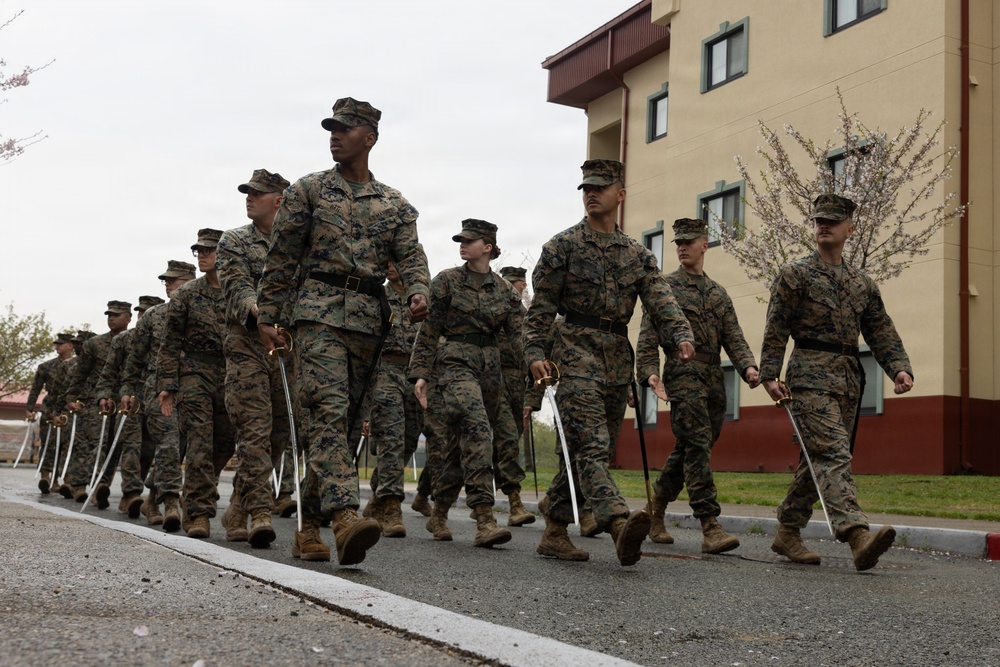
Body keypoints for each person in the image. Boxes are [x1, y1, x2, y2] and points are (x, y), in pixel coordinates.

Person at [256, 97, 430, 566]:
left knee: (346, 426)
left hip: (371, 323)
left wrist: (418, 291)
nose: (335, 135)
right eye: (331, 128)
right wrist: (268, 316)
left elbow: (412, 257)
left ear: (369, 138)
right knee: (328, 414)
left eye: (346, 129)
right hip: (317, 316)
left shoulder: (394, 203)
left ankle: (308, 526)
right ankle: (345, 517)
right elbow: (282, 257)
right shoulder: (308, 190)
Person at [524, 159, 695, 567]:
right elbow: (541, 311)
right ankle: (619, 523)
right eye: (585, 187)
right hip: (574, 354)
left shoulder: (637, 255)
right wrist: (534, 355)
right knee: (593, 446)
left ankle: (554, 530)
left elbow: (661, 300)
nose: (590, 194)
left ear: (620, 194)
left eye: (600, 187)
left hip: (617, 360)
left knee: (581, 453)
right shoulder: (561, 247)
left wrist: (681, 335)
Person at [760, 193, 914, 572]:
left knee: (816, 461)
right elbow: (776, 326)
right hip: (809, 375)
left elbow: (880, 330)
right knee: (833, 455)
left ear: (850, 228)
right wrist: (768, 374)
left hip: (848, 379)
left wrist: (898, 368)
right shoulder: (794, 274)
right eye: (818, 220)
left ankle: (787, 532)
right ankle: (856, 535)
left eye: (831, 220)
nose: (823, 225)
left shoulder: (862, 283)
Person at [636, 218, 760, 554]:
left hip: (714, 379)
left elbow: (733, 335)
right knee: (698, 445)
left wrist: (748, 366)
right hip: (682, 373)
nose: (682, 247)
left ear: (705, 244)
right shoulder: (665, 289)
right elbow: (648, 335)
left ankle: (655, 510)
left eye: (689, 241)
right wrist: (649, 373)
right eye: (678, 242)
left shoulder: (718, 293)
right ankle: (710, 525)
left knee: (692, 448)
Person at [409, 219, 524, 548]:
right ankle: (485, 517)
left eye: (470, 240)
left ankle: (440, 510)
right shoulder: (445, 281)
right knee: (476, 430)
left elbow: (519, 335)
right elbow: (429, 330)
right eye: (460, 239)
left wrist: (535, 361)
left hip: (490, 369)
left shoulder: (503, 291)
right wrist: (421, 374)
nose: (462, 244)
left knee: (463, 447)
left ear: (487, 247)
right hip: (454, 363)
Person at [216, 168, 293, 548]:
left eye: (257, 193)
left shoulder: (297, 245)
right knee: (254, 429)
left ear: (279, 200)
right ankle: (260, 511)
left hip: (285, 347)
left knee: (278, 433)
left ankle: (236, 505)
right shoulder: (235, 240)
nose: (249, 198)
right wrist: (259, 314)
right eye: (247, 192)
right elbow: (236, 285)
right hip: (247, 343)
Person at [157, 230, 235, 539]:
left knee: (225, 443)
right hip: (194, 373)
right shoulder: (188, 294)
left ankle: (200, 494)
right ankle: (200, 513)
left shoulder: (238, 292)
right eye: (197, 250)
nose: (201, 255)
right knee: (200, 442)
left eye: (208, 250)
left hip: (231, 374)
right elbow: (170, 341)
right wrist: (167, 385)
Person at [121, 261, 195, 530]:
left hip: (193, 389)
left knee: (179, 449)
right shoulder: (153, 315)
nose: (168, 284)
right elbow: (135, 358)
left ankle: (152, 496)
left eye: (173, 280)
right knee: (169, 443)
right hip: (157, 389)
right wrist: (128, 389)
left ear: (189, 280)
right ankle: (171, 502)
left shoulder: (202, 312)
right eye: (166, 280)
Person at [362, 261, 424, 537]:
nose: (388, 266)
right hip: (383, 370)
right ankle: (391, 507)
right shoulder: (377, 295)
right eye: (383, 260)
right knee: (391, 439)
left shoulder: (424, 300)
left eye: (394, 261)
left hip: (416, 375)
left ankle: (377, 497)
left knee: (410, 439)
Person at [94, 295, 163, 518]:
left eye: (149, 312)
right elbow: (109, 371)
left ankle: (129, 495)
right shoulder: (124, 339)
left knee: (148, 450)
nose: (145, 316)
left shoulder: (165, 339)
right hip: (129, 401)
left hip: (155, 401)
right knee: (129, 446)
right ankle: (131, 492)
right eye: (141, 312)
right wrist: (104, 395)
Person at [65, 301, 133, 507]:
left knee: (115, 445)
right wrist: (71, 397)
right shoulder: (94, 344)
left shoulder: (134, 341)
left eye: (116, 315)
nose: (111, 318)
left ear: (128, 318)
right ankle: (80, 485)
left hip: (123, 400)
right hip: (97, 401)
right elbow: (80, 373)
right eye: (109, 315)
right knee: (96, 443)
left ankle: (100, 486)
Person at [494, 265, 534, 527]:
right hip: (493, 381)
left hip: (518, 384)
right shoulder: (494, 311)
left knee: (506, 443)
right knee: (506, 441)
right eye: (508, 283)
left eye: (516, 284)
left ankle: (483, 498)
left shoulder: (527, 318)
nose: (513, 288)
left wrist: (532, 398)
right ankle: (514, 503)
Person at [26, 332, 75, 493]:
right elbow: (35, 388)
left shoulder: (78, 365)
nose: (57, 346)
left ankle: (64, 480)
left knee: (67, 444)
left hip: (69, 408)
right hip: (49, 407)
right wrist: (30, 408)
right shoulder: (46, 366)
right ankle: (45, 478)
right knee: (48, 443)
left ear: (70, 345)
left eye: (61, 343)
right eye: (56, 343)